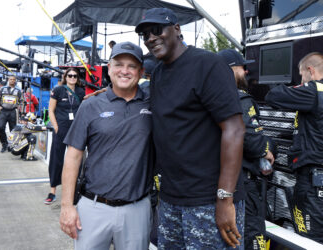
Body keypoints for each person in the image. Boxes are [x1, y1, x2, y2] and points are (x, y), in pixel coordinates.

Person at [135, 8, 246, 249]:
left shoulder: (208, 65)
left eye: (156, 30)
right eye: (145, 34)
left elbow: (235, 130)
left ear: (177, 29)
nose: (150, 38)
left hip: (209, 200)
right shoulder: (159, 75)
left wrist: (225, 199)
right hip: (171, 199)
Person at [59, 41, 153, 250]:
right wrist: (67, 205)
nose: (125, 71)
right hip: (93, 209)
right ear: (108, 68)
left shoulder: (154, 104)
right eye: (119, 64)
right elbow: (73, 156)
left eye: (132, 66)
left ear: (141, 72)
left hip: (137, 209)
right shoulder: (90, 105)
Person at [218, 49, 276, 250]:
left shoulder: (210, 98)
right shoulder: (240, 98)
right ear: (231, 70)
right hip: (242, 185)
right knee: (253, 237)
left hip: (219, 187)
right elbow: (250, 138)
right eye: (242, 67)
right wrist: (266, 150)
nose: (246, 71)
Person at [265, 52, 323, 244]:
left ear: (311, 70)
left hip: (314, 183)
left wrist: (304, 85)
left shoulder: (314, 91)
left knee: (309, 240)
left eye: (302, 75)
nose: (301, 80)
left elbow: (273, 96)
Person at [45, 67, 85, 205]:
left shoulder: (80, 91)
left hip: (75, 129)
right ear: (65, 77)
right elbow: (51, 110)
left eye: (75, 76)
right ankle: (52, 191)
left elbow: (85, 106)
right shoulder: (58, 90)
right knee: (56, 158)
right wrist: (55, 126)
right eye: (70, 75)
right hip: (61, 128)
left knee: (76, 161)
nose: (72, 78)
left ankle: (74, 191)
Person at [0, 76, 24, 153]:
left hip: (13, 112)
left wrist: (22, 112)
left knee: (13, 129)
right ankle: (4, 144)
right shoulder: (2, 89)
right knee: (0, 127)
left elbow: (22, 102)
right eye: (10, 79)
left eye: (13, 79)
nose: (12, 81)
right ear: (8, 80)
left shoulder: (18, 90)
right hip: (3, 111)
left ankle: (12, 145)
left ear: (15, 81)